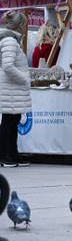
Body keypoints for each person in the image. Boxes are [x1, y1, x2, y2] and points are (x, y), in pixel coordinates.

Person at [0, 11, 32, 167]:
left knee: (13, 121)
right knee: (9, 122)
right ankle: (5, 155)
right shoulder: (10, 41)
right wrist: (24, 78)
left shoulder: (12, 40)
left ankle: (12, 153)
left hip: (12, 89)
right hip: (11, 88)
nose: (26, 27)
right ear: (19, 25)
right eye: (24, 24)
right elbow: (8, 66)